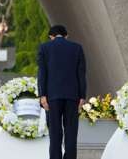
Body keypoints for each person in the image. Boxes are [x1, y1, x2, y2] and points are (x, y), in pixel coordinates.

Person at [37, 24, 87, 159]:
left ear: (51, 36)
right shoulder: (77, 48)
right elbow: (81, 74)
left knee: (55, 133)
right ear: (66, 36)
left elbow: (42, 74)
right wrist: (82, 96)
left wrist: (42, 95)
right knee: (71, 132)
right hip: (73, 96)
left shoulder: (44, 48)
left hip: (52, 96)